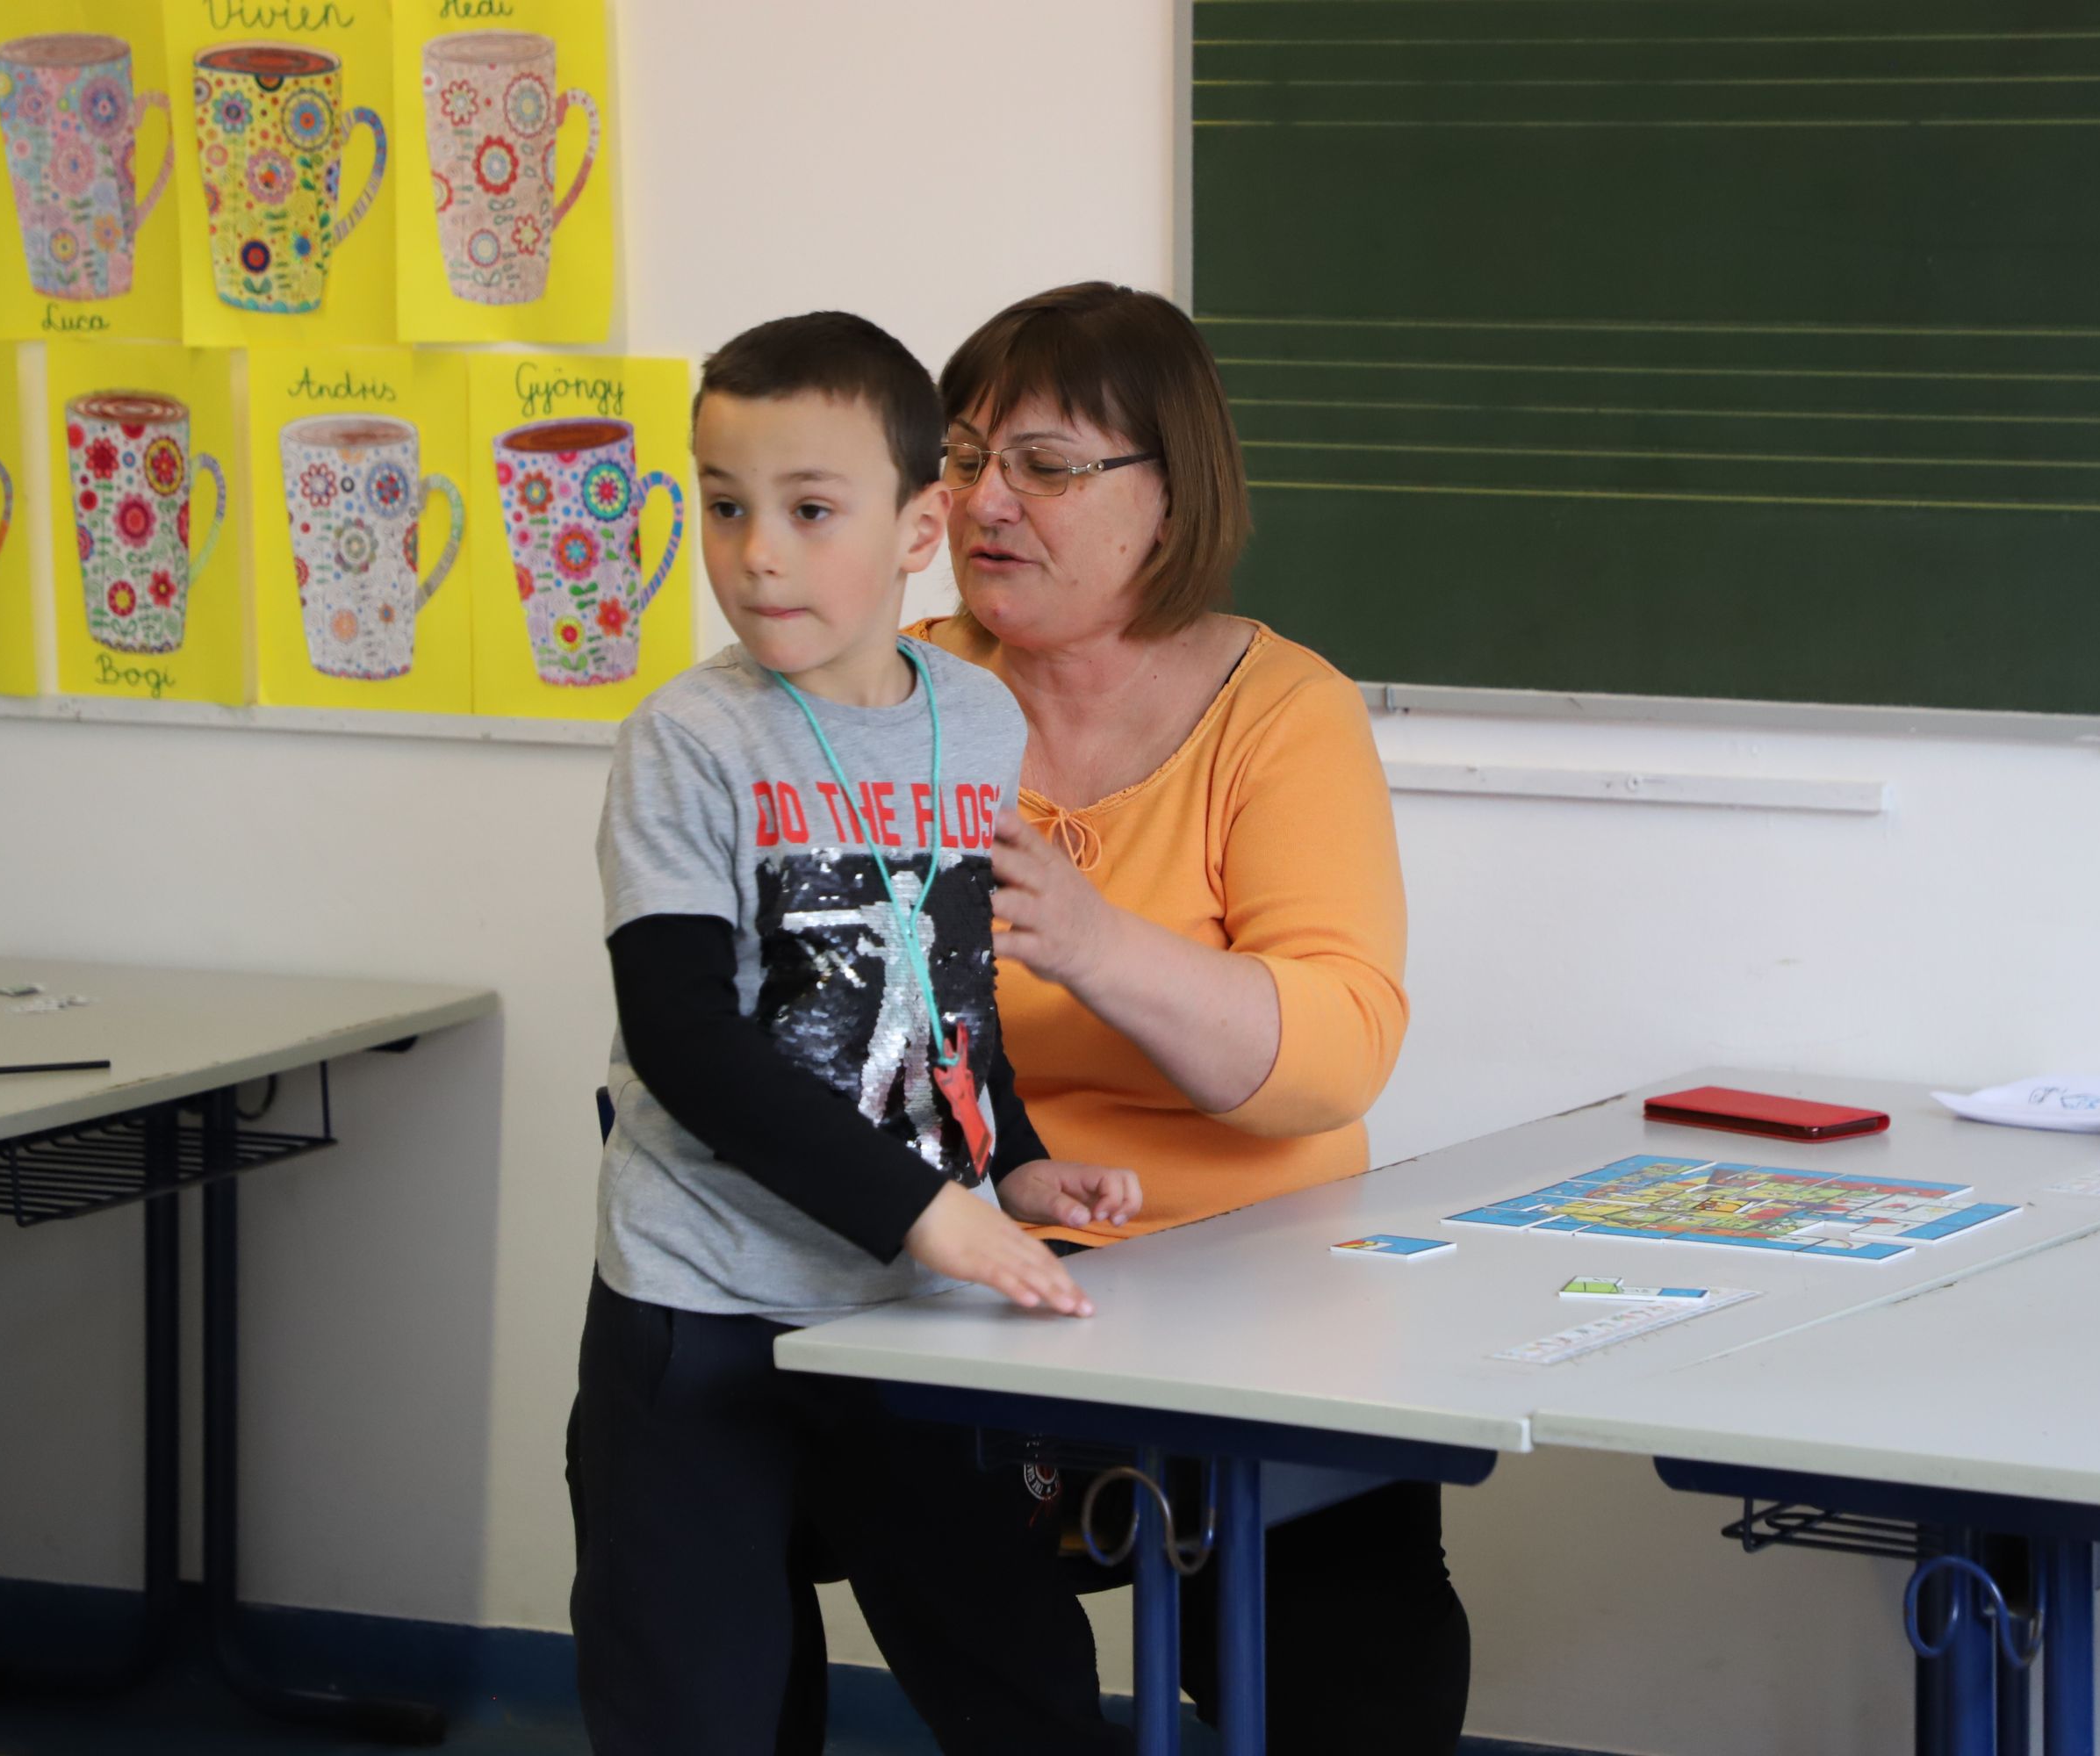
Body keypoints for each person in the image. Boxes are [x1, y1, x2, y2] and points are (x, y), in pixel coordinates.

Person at [565, 310, 1141, 1756]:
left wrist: (1012, 1164)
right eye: (725, 506)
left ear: (920, 528)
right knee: (710, 1711)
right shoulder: (690, 741)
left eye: (810, 510)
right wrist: (932, 1212)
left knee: (1024, 1689)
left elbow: (947, 991)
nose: (758, 553)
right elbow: (684, 1042)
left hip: (907, 1313)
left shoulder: (977, 720)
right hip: (703, 1312)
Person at [917, 282, 1471, 1753]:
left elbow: (1338, 1051)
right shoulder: (892, 698)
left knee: (1360, 1662)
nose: (985, 501)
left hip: (1262, 1278)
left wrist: (1098, 943)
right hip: (978, 1264)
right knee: (828, 1460)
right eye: (963, 457)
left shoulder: (1281, 711)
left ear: (1169, 495)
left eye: (1045, 465)